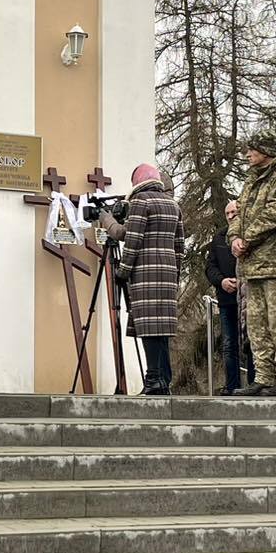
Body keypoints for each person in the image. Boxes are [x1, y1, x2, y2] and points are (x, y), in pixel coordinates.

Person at [228, 130, 276, 397]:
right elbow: (238, 211)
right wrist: (235, 236)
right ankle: (264, 376)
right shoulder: (251, 179)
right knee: (257, 323)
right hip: (252, 265)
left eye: (251, 149)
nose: (247, 154)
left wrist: (247, 237)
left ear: (265, 150)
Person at [114, 165, 184, 395]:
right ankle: (164, 379)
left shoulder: (140, 202)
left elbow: (132, 240)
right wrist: (175, 274)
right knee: (161, 329)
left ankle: (153, 380)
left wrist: (122, 271)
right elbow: (179, 246)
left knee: (148, 327)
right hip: (167, 274)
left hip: (145, 273)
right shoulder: (173, 205)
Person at [205, 219, 248, 394]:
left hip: (249, 299)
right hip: (226, 299)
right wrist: (221, 281)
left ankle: (255, 383)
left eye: (234, 212)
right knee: (229, 344)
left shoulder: (249, 233)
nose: (231, 216)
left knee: (251, 343)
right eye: (228, 213)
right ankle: (232, 386)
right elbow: (210, 267)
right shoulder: (218, 239)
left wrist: (242, 282)